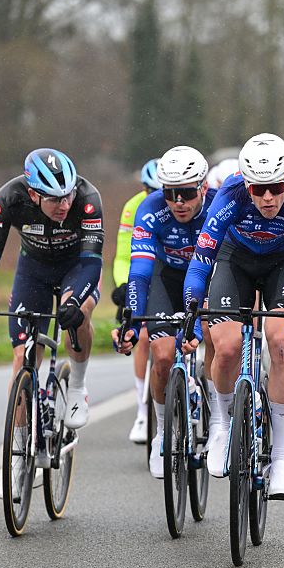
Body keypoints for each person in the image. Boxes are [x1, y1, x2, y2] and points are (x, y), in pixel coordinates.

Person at [183, 133, 284, 500]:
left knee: (279, 342)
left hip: (283, 262)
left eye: (275, 187)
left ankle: (280, 459)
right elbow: (200, 265)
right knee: (225, 347)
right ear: (245, 183)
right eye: (258, 190)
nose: (268, 198)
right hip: (235, 261)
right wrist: (192, 314)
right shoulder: (230, 196)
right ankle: (222, 424)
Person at [0, 149, 103, 498]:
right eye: (56, 199)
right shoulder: (9, 198)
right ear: (33, 194)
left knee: (79, 314)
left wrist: (73, 302)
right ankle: (21, 446)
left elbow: (91, 263)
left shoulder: (88, 199)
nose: (65, 204)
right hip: (34, 271)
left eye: (69, 194)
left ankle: (77, 387)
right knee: (23, 356)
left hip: (77, 268)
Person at [111, 146, 215, 479]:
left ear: (202, 188)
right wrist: (129, 319)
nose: (179, 202)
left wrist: (199, 322)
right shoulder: (149, 209)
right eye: (171, 194)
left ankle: (218, 419)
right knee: (163, 353)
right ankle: (161, 433)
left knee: (216, 337)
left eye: (186, 193)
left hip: (209, 278)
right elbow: (139, 273)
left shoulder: (216, 209)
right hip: (164, 278)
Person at [112, 158, 161, 444]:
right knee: (142, 336)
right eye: (148, 190)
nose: (153, 197)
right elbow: (121, 254)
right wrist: (122, 284)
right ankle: (142, 412)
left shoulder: (176, 205)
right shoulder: (133, 207)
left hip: (170, 270)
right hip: (141, 272)